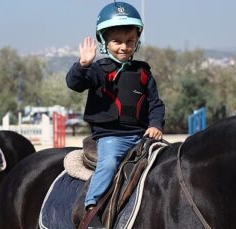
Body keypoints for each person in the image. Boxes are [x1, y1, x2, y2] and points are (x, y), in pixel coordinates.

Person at [66, 1, 165, 225]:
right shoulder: (96, 70)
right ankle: (91, 207)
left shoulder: (143, 72)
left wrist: (156, 125)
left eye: (130, 41)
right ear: (104, 41)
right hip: (111, 137)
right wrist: (82, 65)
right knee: (109, 163)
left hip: (143, 136)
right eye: (117, 41)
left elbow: (155, 104)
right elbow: (74, 83)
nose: (124, 47)